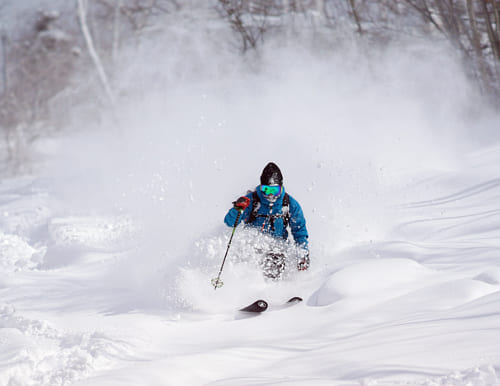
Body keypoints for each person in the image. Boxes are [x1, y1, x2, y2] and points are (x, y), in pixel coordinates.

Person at [224, 162, 309, 276]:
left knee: (274, 260)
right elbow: (230, 223)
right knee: (245, 256)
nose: (270, 195)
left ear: (281, 188)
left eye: (274, 191)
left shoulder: (289, 204)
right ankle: (245, 284)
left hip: (277, 249)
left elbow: (300, 231)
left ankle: (271, 288)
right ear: (261, 187)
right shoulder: (252, 200)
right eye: (266, 190)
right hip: (252, 246)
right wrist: (237, 209)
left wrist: (302, 255)